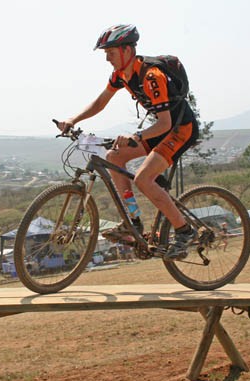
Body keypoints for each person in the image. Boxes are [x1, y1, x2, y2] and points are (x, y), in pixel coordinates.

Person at [55, 24, 199, 260]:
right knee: (114, 157)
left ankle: (185, 231)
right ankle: (133, 221)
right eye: (106, 54)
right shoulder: (121, 74)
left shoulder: (152, 76)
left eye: (110, 53)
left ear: (126, 50)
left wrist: (137, 137)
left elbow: (165, 124)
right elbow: (100, 102)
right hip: (162, 129)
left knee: (143, 179)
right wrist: (73, 119)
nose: (107, 59)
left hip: (179, 129)